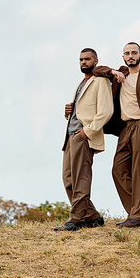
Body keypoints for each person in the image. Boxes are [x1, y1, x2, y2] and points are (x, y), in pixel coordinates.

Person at [93, 42, 140, 228]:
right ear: (123, 57)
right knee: (118, 170)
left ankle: (138, 216)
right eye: (127, 53)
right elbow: (96, 70)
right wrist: (112, 72)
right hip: (125, 127)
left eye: (134, 53)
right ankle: (136, 211)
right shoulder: (121, 73)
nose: (130, 56)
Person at [54, 48, 113, 231]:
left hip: (83, 136)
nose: (83, 62)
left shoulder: (101, 81)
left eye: (87, 59)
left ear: (96, 61)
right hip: (70, 136)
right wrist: (68, 113)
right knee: (68, 179)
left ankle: (77, 219)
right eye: (81, 59)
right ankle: (93, 217)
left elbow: (106, 111)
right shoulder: (81, 83)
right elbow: (82, 111)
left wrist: (87, 132)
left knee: (81, 179)